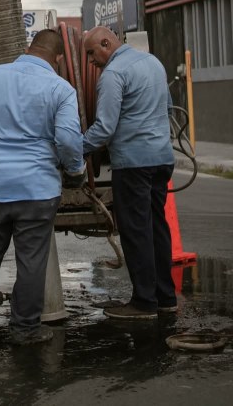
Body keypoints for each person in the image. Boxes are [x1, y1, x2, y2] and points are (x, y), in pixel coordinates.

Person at [0, 29, 86, 344]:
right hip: (37, 192)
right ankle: (24, 330)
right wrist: (75, 171)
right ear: (57, 58)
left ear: (29, 48)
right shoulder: (60, 88)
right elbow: (68, 138)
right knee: (31, 262)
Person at [81, 26, 176, 320]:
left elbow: (105, 128)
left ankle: (144, 303)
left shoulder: (112, 74)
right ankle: (165, 297)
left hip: (133, 164)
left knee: (136, 232)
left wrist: (74, 147)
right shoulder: (153, 63)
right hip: (161, 159)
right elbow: (169, 110)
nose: (90, 62)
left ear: (107, 43)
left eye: (91, 53)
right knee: (157, 227)